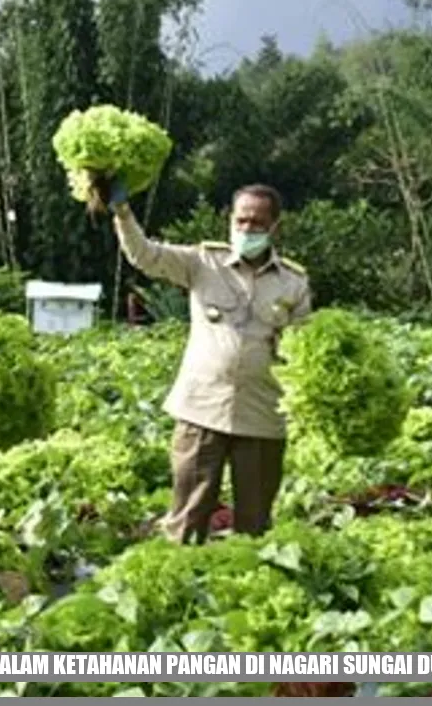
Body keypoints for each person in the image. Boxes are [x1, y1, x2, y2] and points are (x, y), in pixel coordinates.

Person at [106, 181, 311, 544]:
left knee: (255, 524)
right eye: (241, 220)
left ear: (275, 227)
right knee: (187, 515)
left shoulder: (293, 283)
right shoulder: (204, 262)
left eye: (258, 223)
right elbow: (145, 255)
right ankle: (178, 585)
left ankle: (246, 590)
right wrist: (122, 212)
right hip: (202, 408)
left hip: (262, 414)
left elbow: (304, 348)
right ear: (230, 220)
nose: (247, 229)